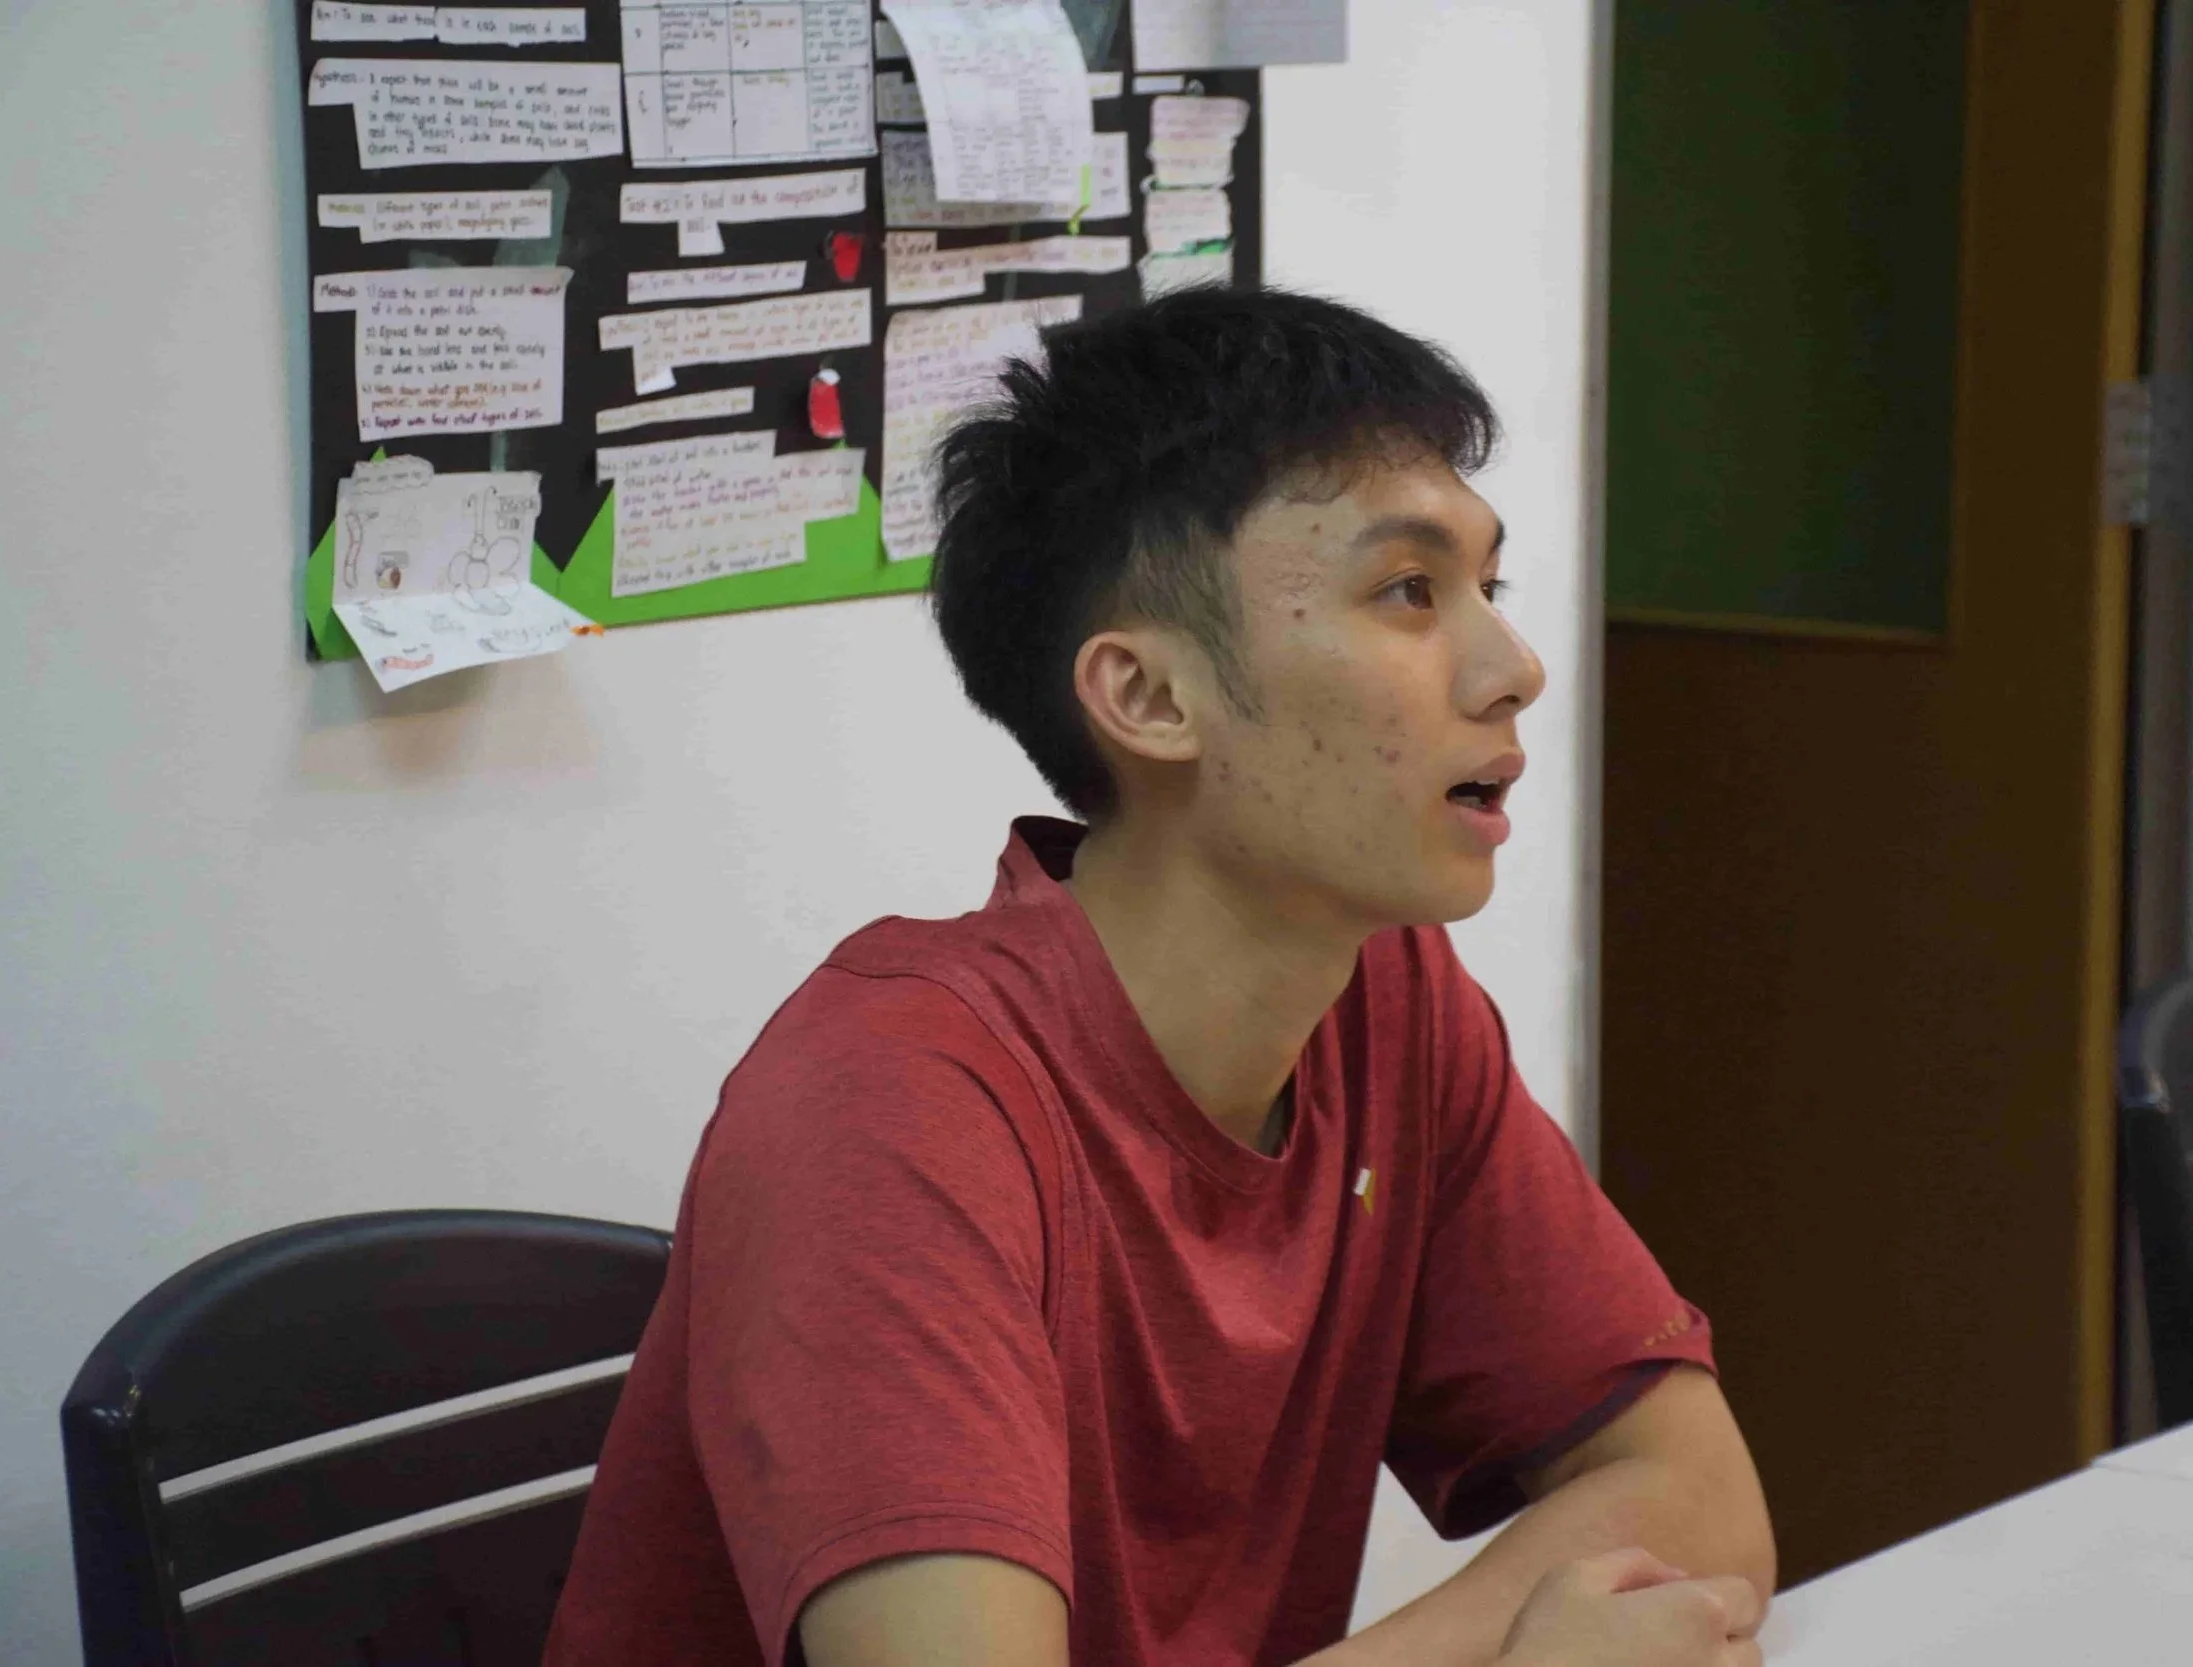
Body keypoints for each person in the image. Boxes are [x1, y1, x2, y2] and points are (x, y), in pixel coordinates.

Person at [544, 288, 1775, 1667]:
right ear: (1147, 698)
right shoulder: (888, 1101)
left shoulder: (1386, 1002)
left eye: (1491, 586)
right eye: (1409, 591)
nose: (1515, 667)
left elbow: (1700, 1504)